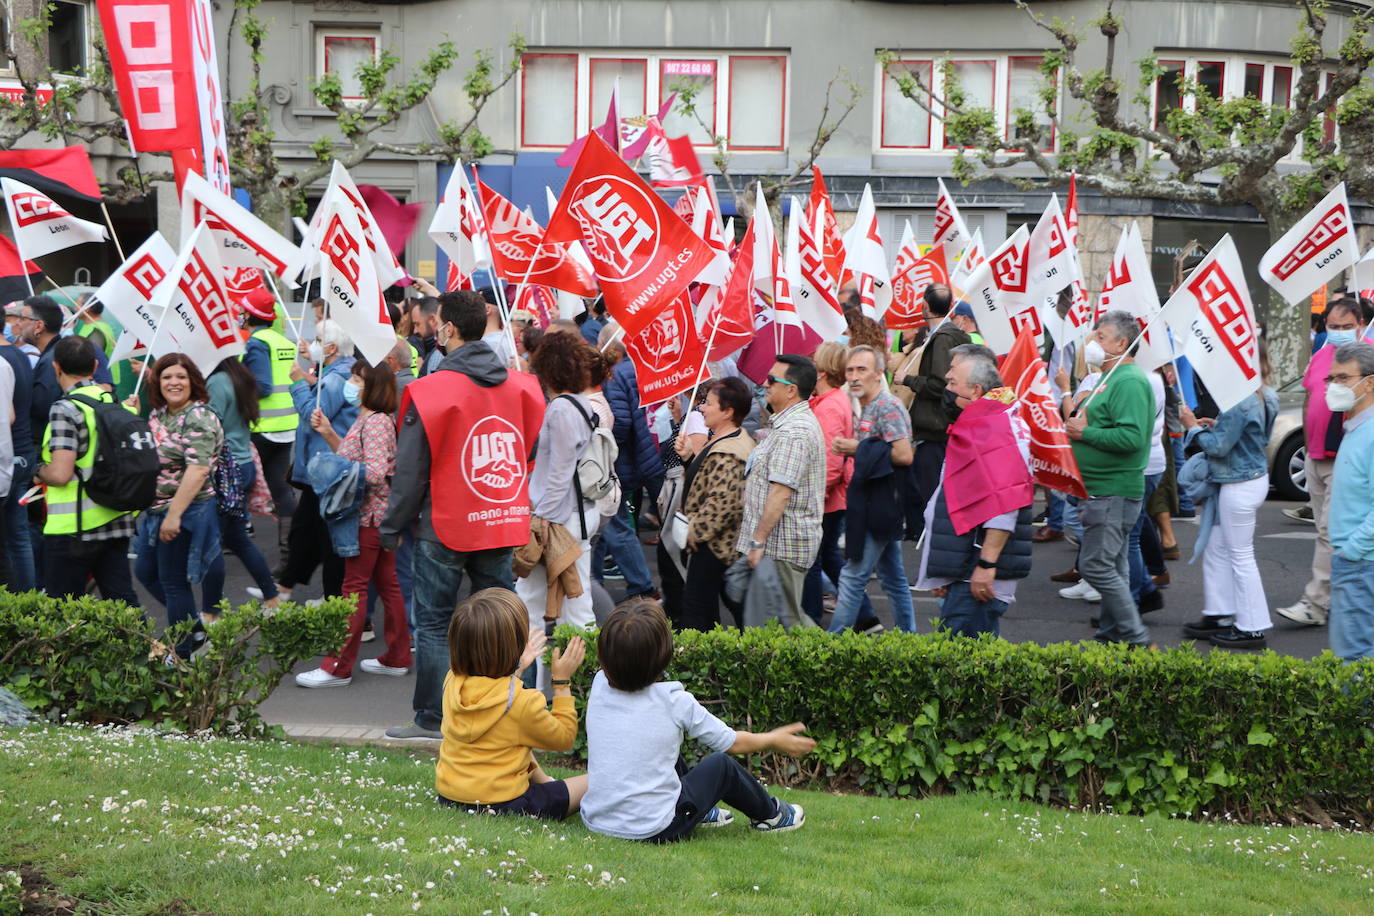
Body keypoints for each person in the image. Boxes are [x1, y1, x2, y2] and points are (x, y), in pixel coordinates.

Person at [380, 290, 545, 741]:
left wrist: (392, 526)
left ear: (446, 328)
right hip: (500, 516)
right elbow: (525, 447)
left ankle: (433, 719)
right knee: (504, 617)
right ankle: (519, 709)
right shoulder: (522, 386)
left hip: (445, 522)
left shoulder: (427, 391)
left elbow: (410, 470)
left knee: (434, 621)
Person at [580, 599, 814, 842]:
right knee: (721, 765)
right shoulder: (674, 701)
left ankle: (702, 811)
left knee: (662, 751)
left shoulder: (599, 685)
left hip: (597, 820)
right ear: (664, 654)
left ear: (604, 654)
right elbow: (732, 743)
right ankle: (773, 815)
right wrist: (772, 739)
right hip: (657, 828)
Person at [295, 359, 411, 687]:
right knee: (388, 585)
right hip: (376, 517)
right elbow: (358, 461)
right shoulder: (373, 419)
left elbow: (373, 472)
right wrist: (330, 435)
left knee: (354, 589)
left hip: (367, 518)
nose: (350, 383)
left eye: (356, 379)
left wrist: (335, 472)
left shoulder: (374, 422)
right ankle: (398, 656)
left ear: (370, 385)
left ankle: (338, 666)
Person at [435, 589, 588, 818]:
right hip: (505, 805)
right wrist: (561, 682)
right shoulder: (522, 703)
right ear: (514, 646)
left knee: (514, 736)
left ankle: (545, 781)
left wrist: (519, 667)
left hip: (450, 798)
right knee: (597, 781)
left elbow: (495, 700)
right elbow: (564, 738)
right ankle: (548, 786)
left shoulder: (452, 682)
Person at [915, 345, 1035, 637]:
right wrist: (943, 572)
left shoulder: (995, 429)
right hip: (964, 569)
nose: (946, 385)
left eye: (953, 382)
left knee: (960, 666)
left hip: (975, 573)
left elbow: (1004, 505)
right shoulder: (985, 422)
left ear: (976, 390)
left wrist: (986, 564)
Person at [1065, 312, 1155, 648]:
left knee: (1095, 564)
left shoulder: (1128, 380)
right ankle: (1110, 637)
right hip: (1101, 489)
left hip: (1113, 490)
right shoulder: (1109, 377)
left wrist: (1084, 432)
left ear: (1122, 343)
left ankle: (1136, 637)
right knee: (1114, 567)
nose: (1093, 342)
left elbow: (1132, 439)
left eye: (1101, 337)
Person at [1179, 345, 1278, 650]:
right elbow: (1249, 436)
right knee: (1218, 547)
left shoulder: (1240, 398)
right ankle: (1220, 613)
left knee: (1239, 555)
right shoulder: (1266, 393)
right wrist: (1214, 426)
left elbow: (1219, 447)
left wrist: (1193, 428)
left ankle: (1251, 627)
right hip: (1248, 478)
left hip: (1238, 483)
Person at [128, 354, 225, 659]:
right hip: (156, 511)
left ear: (193, 381)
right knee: (145, 571)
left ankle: (184, 653)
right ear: (156, 381)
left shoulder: (199, 416)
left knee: (173, 583)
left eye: (181, 376)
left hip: (185, 511)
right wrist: (133, 416)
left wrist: (174, 515)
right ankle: (195, 630)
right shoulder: (159, 414)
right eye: (167, 376)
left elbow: (198, 470)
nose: (174, 382)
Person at [1276, 298, 1365, 628]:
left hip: (1345, 456)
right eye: (1334, 326)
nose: (1339, 332)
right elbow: (1310, 398)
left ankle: (1315, 603)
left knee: (1330, 530)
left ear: (1359, 325)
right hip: (1314, 455)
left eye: (1346, 327)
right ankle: (1342, 595)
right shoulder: (1320, 356)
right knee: (1326, 531)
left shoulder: (1366, 357)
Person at [515, 331, 598, 683]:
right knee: (572, 607)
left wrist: (540, 520)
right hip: (573, 517)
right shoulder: (582, 404)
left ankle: (532, 689)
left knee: (537, 604)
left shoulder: (563, 408)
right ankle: (570, 689)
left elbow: (559, 471)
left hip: (559, 520)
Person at [34, 336, 138, 602]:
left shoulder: (65, 408)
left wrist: (37, 470)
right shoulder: (111, 401)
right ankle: (145, 645)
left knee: (63, 608)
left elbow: (60, 473)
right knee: (121, 604)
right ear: (94, 366)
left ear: (56, 367)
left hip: (73, 527)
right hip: (116, 518)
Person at [828, 346, 916, 634]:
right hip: (875, 501)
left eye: (861, 370)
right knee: (893, 579)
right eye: (850, 370)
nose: (854, 376)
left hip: (880, 504)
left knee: (853, 577)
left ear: (879, 374)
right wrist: (857, 451)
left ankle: (831, 645)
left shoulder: (886, 406)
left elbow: (904, 455)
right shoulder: (868, 404)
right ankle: (909, 639)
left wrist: (857, 448)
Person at [737, 355, 826, 623]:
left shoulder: (794, 432)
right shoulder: (786, 424)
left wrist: (758, 541)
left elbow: (781, 493)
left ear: (791, 390)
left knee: (786, 626)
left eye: (772, 380)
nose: (765, 383)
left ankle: (833, 662)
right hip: (777, 547)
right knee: (781, 622)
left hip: (779, 548)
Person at [275, 319, 357, 602]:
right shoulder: (339, 372)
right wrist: (309, 379)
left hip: (327, 470)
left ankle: (333, 601)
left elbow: (314, 417)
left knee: (326, 539)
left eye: (319, 340)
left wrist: (298, 382)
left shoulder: (336, 378)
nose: (313, 345)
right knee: (307, 533)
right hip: (322, 470)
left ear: (332, 347)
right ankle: (285, 591)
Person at [802, 342, 877, 628]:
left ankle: (810, 620)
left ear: (821, 371)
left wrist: (817, 496)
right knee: (830, 558)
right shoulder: (829, 401)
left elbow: (831, 461)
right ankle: (865, 616)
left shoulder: (830, 405)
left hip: (827, 498)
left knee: (814, 560)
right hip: (833, 497)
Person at [201, 356, 278, 615]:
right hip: (243, 463)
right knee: (236, 538)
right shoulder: (240, 376)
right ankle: (272, 597)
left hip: (225, 468)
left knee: (212, 543)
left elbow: (211, 427)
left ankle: (210, 613)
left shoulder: (216, 382)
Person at [679, 378, 755, 630]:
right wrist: (689, 457)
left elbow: (723, 502)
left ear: (728, 412)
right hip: (714, 545)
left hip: (715, 548)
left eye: (708, 403)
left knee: (698, 615)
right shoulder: (723, 440)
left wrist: (694, 531)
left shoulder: (730, 451)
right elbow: (705, 481)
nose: (701, 408)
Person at [595, 323, 661, 601]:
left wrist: (600, 435)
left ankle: (641, 586)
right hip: (644, 459)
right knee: (603, 525)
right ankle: (592, 582)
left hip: (620, 462)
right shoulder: (641, 368)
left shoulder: (618, 375)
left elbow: (619, 424)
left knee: (613, 523)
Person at [900, 284, 971, 540]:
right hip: (941, 424)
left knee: (930, 492)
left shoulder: (943, 337)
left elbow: (940, 384)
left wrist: (908, 379)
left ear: (925, 307)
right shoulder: (950, 333)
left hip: (936, 425)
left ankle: (935, 541)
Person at [1324, 341, 1374, 662]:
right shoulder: (1356, 429)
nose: (1334, 386)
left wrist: (1352, 550)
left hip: (1361, 564)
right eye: (1331, 379)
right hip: (1356, 561)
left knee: (1354, 659)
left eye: (1343, 378)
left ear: (1369, 382)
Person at [240, 286, 299, 534]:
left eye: (243, 311)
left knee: (240, 481)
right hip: (286, 426)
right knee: (279, 487)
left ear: (249, 315)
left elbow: (262, 386)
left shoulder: (257, 343)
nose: (240, 315)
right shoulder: (283, 341)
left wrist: (236, 390)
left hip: (261, 427)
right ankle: (291, 548)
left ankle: (239, 530)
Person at [0, 319, 35, 590]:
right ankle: (27, 605)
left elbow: (6, 417)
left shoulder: (2, 361)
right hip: (21, 453)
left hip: (8, 458)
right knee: (19, 538)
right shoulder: (19, 355)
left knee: (9, 543)